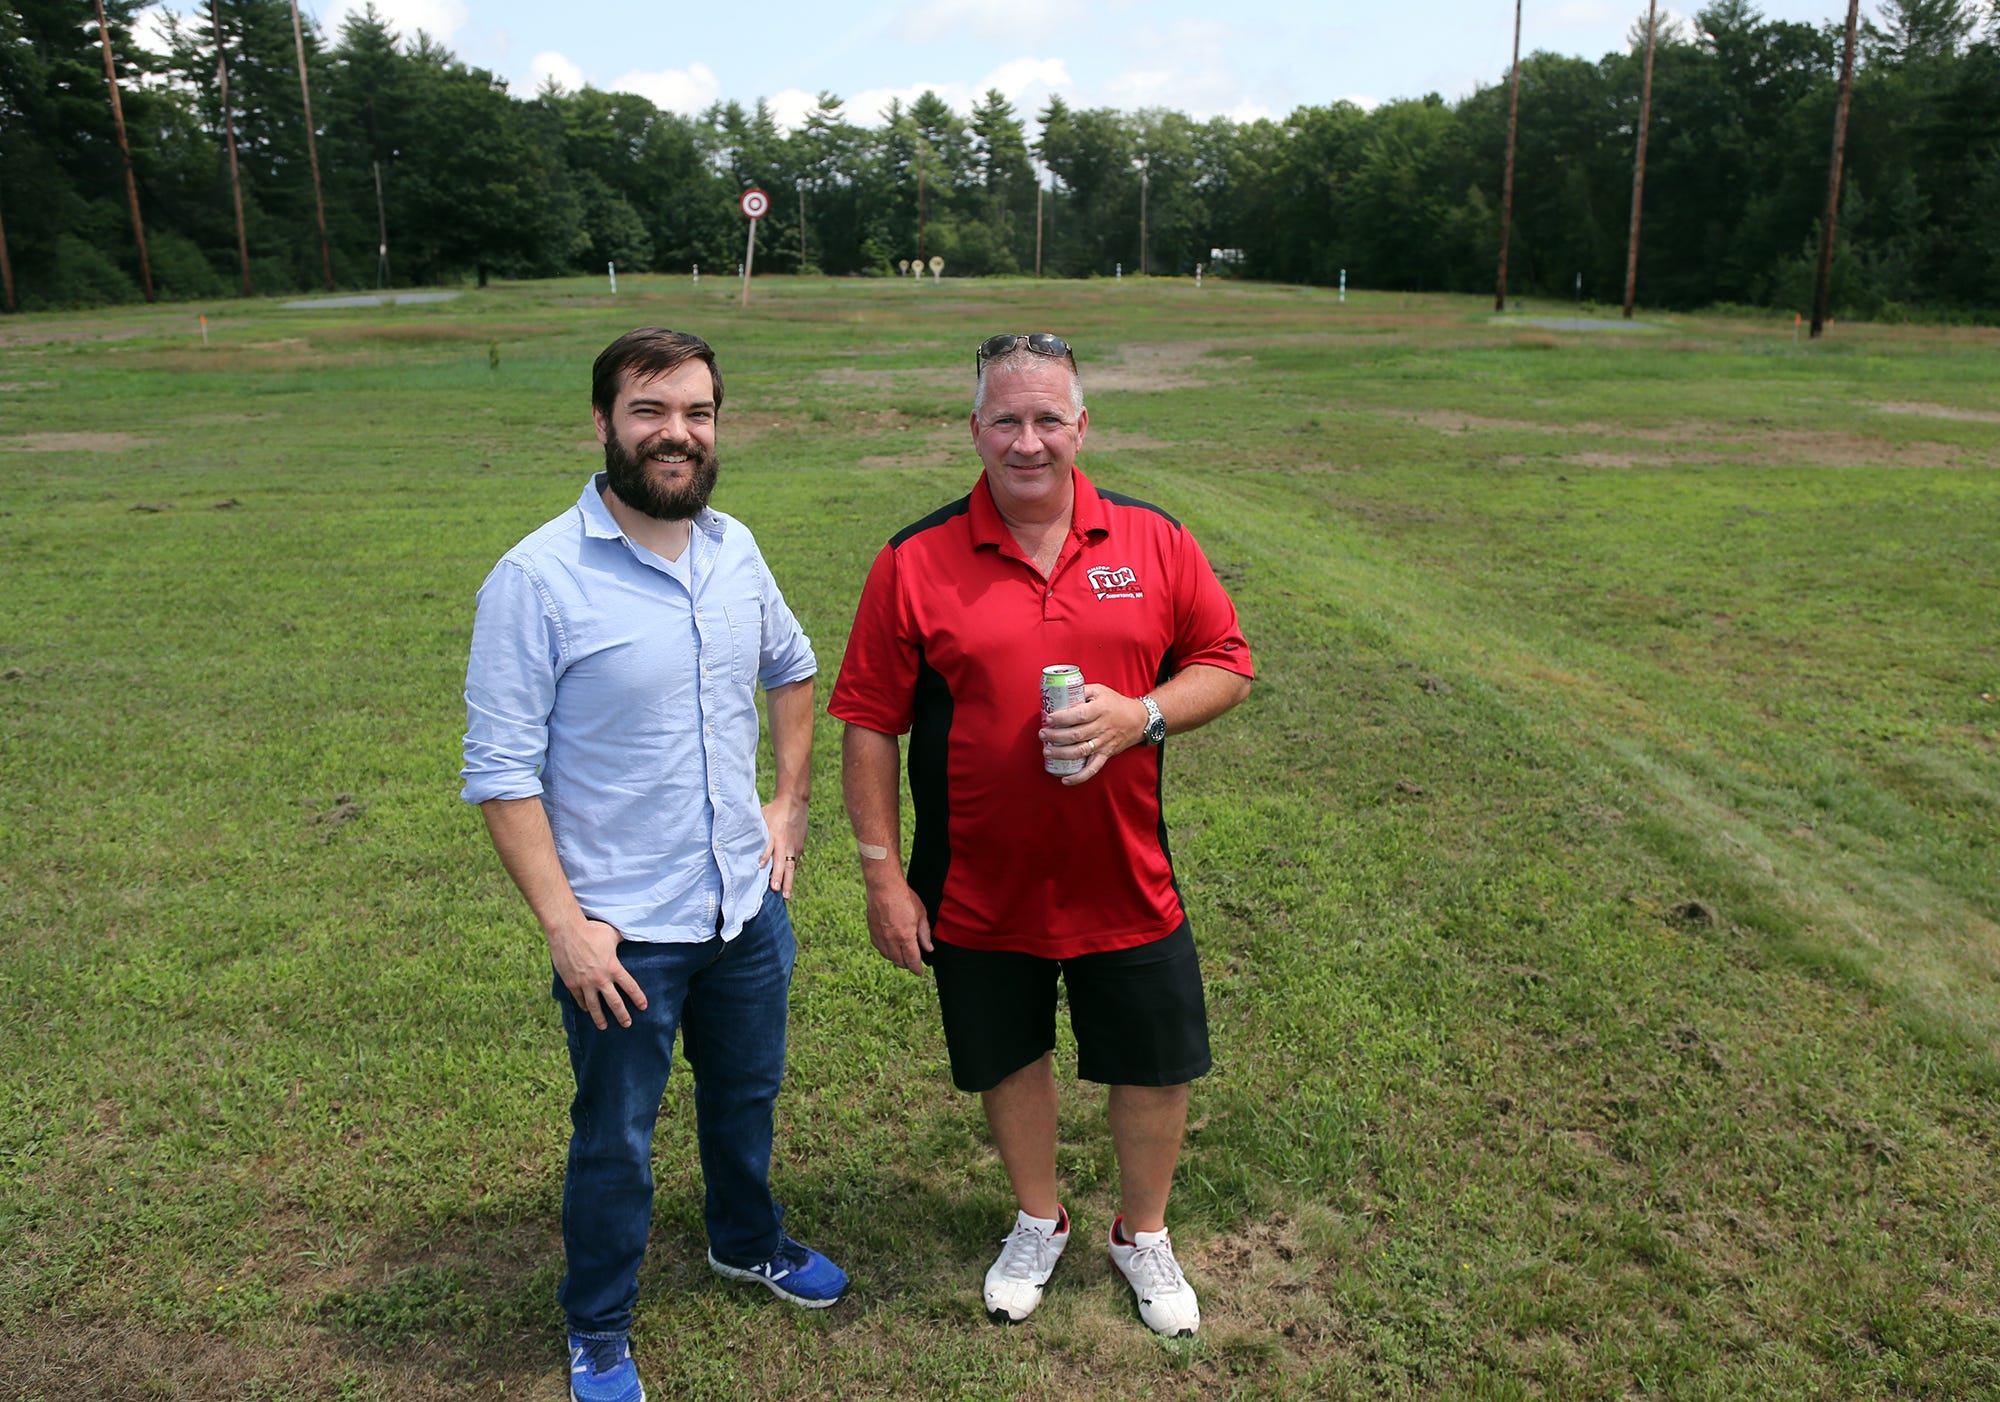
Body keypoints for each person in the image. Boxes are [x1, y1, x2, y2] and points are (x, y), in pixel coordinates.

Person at [830, 332, 1254, 1338]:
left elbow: (1224, 661)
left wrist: (1139, 714)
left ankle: (1140, 1234)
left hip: (1124, 872)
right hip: (976, 880)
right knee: (1004, 1052)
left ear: (1080, 426)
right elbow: (868, 724)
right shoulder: (912, 559)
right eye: (1007, 420)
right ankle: (1036, 1217)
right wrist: (882, 877)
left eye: (1047, 419)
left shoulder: (1153, 540)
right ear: (974, 426)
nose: (1028, 442)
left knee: (1153, 1060)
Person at [461, 328, 846, 1402]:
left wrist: (788, 802)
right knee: (616, 1141)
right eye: (649, 411)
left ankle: (746, 1239)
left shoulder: (735, 549)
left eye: (696, 412)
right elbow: (500, 773)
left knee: (745, 1098)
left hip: (744, 908)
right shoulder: (535, 578)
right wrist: (564, 926)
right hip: (623, 934)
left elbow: (793, 666)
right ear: (602, 424)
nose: (675, 433)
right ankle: (596, 1325)